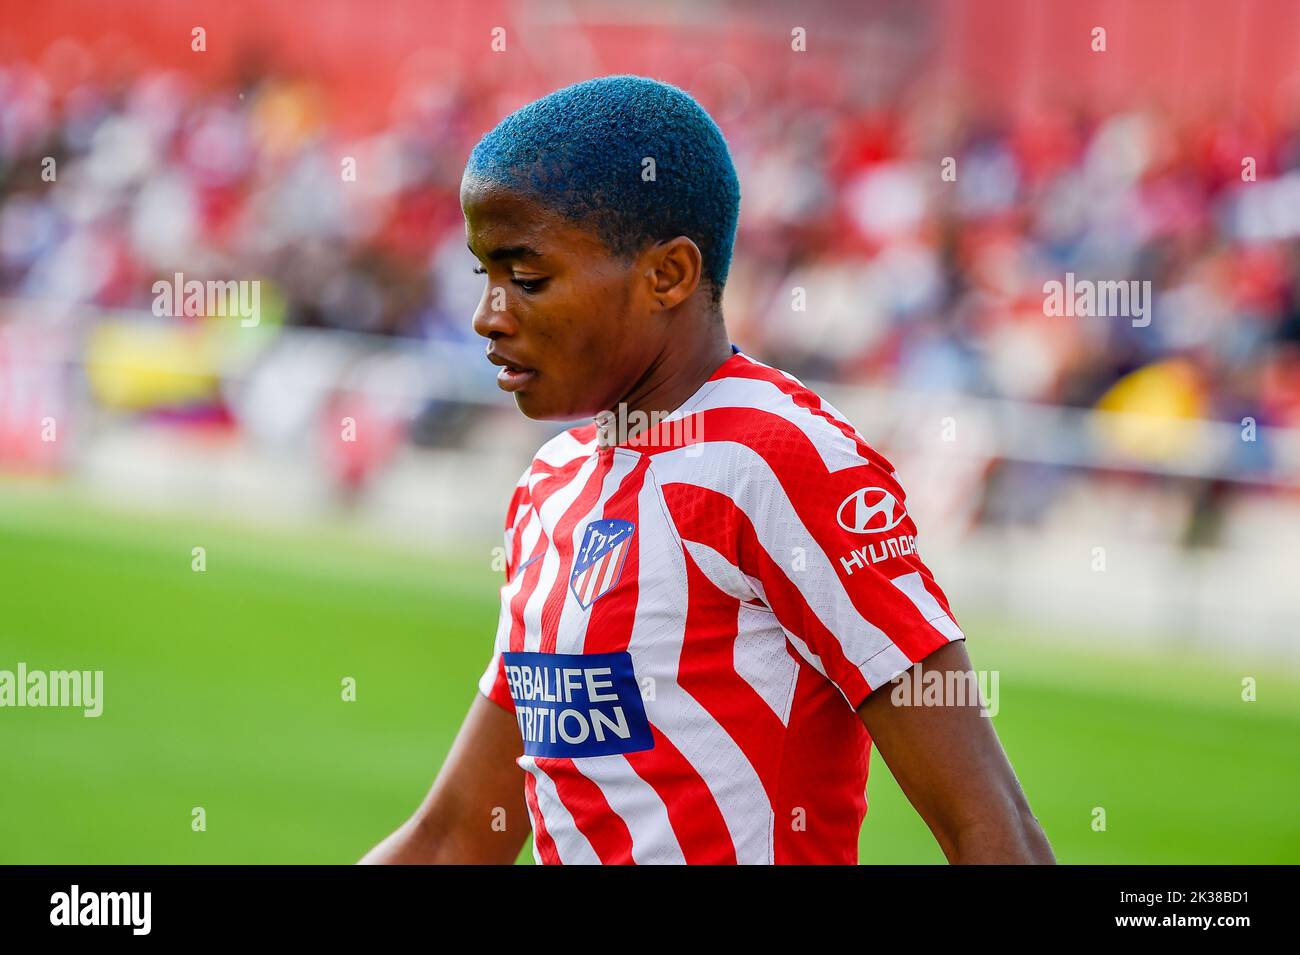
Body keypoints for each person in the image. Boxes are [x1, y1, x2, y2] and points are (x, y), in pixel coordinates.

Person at [362, 75, 1054, 865]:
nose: (488, 313)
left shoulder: (781, 461)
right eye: (483, 273)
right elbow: (456, 836)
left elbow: (993, 828)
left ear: (668, 275)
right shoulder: (551, 485)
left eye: (527, 277)